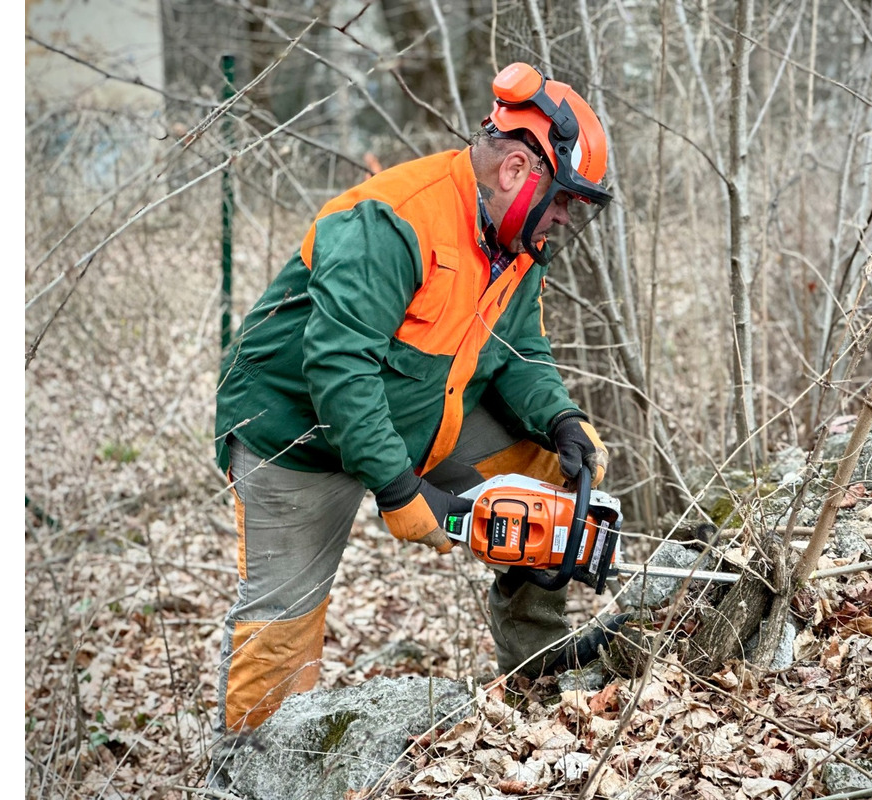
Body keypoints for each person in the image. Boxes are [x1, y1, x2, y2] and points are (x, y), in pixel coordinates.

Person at [212, 63, 615, 738]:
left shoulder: (517, 246)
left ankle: (538, 660)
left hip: (421, 403)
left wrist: (560, 417)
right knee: (282, 622)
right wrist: (400, 489)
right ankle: (251, 767)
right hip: (294, 431)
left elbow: (520, 350)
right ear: (516, 170)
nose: (564, 217)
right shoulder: (393, 221)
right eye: (564, 200)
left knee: (553, 477)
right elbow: (340, 369)